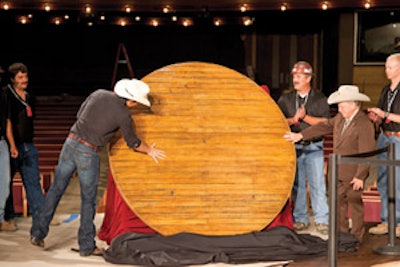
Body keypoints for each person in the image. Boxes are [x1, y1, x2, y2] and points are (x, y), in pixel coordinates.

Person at [30, 78, 166, 257]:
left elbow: (80, 114)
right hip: (88, 151)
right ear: (131, 100)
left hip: (70, 142)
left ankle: (38, 233)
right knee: (88, 200)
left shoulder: (98, 93)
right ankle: (86, 246)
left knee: (56, 189)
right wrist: (149, 150)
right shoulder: (124, 115)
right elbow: (133, 142)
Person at [284, 85, 376, 242]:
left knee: (355, 205)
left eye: (342, 104)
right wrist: (301, 135)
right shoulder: (340, 118)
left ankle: (356, 238)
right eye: (339, 104)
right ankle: (342, 235)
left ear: (353, 104)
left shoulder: (363, 123)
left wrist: (360, 176)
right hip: (338, 170)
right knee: (338, 204)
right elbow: (323, 126)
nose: (339, 107)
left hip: (353, 173)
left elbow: (366, 152)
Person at [277, 61, 330, 235]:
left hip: (314, 146)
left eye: (299, 76)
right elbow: (276, 121)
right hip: (294, 147)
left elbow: (325, 123)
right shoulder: (285, 99)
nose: (295, 80)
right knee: (297, 185)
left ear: (309, 78)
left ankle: (322, 219)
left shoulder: (319, 98)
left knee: (317, 185)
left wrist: (305, 117)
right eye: (294, 76)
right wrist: (293, 120)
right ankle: (300, 218)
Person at [3, 62, 45, 229]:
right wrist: (12, 146)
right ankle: (9, 216)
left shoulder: (29, 95)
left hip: (29, 145)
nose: (24, 80)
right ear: (13, 79)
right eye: (20, 77)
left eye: (25, 76)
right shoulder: (6, 94)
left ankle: (41, 214)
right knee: (7, 182)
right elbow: (7, 122)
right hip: (12, 146)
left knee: (33, 181)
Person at [367, 53, 400, 237]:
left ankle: (398, 222)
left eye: (390, 67)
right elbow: (383, 115)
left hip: (398, 137)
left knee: (398, 182)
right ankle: (386, 220)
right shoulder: (386, 89)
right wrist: (377, 117)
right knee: (383, 180)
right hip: (384, 136)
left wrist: (384, 114)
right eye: (386, 66)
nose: (386, 70)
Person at [0, 81, 18, 231]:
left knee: (4, 183)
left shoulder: (3, 96)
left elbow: (7, 122)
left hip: (1, 143)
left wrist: (11, 144)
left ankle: (0, 219)